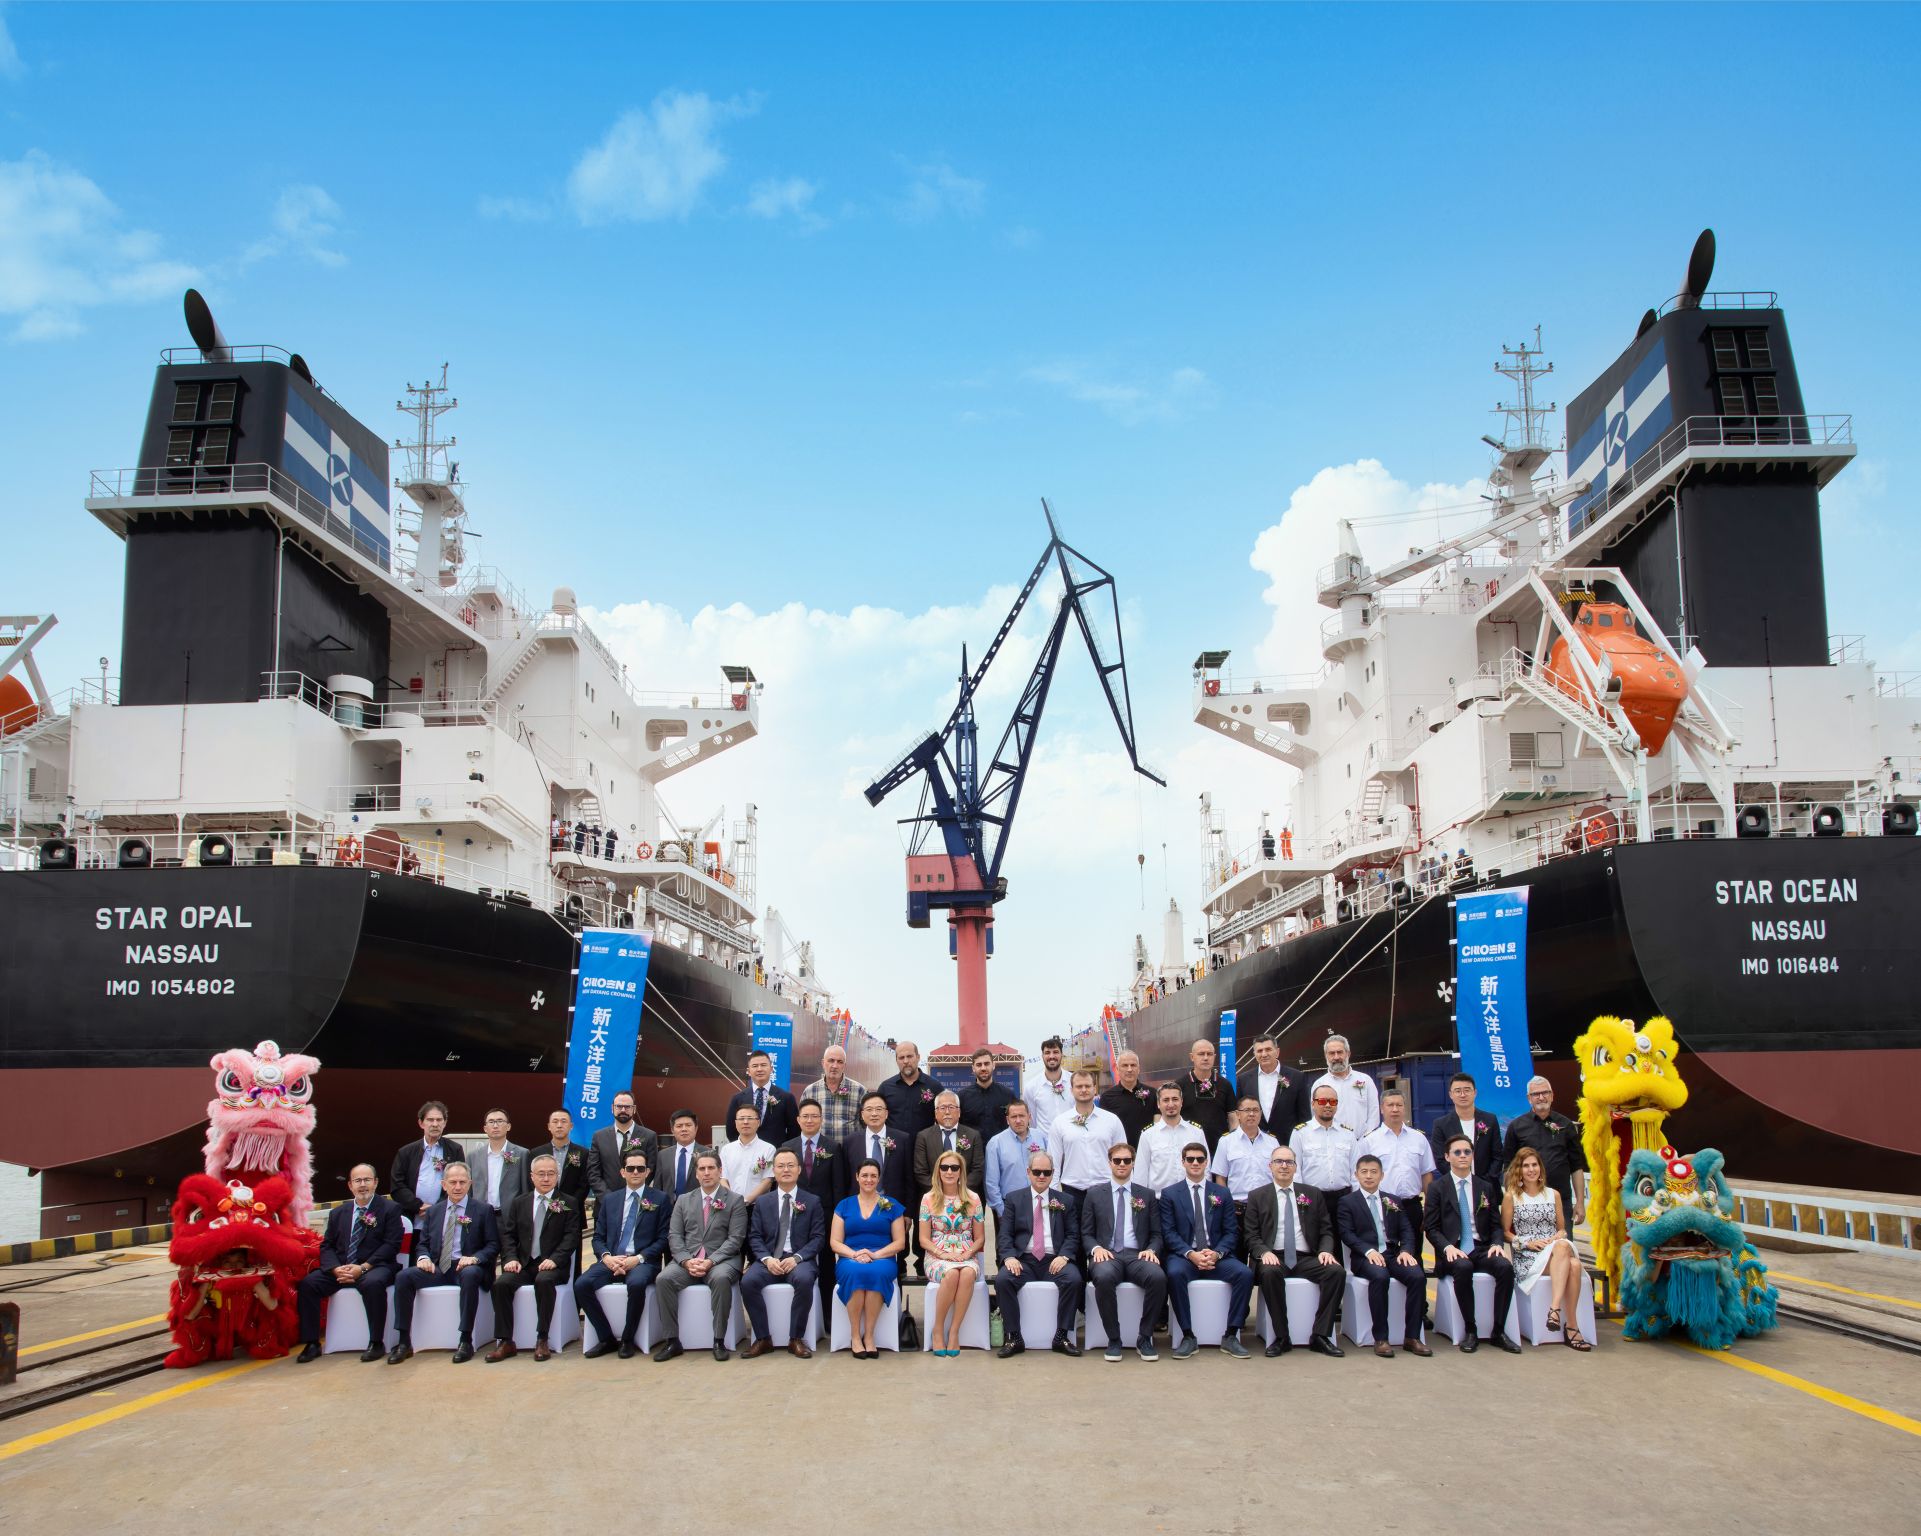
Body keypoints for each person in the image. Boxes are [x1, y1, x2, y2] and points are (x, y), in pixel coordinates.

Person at [389, 1162, 498, 1364]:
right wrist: (423, 1258)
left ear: (470, 1184)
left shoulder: (483, 1210)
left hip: (467, 1267)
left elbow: (493, 1245)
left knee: (471, 1274)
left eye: (462, 1182)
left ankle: (465, 1340)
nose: (458, 1187)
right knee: (403, 1277)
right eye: (453, 1182)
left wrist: (475, 1258)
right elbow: (423, 1244)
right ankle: (404, 1342)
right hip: (439, 1267)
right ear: (444, 1184)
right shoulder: (434, 1212)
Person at [295, 1164, 404, 1363]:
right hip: (342, 1268)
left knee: (373, 1284)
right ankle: (312, 1343)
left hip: (375, 1266)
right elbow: (327, 1245)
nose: (362, 1185)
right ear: (350, 1185)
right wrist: (335, 1269)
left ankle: (376, 1342)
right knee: (308, 1284)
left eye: (367, 1180)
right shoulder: (338, 1213)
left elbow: (391, 1245)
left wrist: (363, 1267)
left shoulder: (390, 1209)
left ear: (375, 1183)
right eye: (357, 1181)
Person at [1243, 1148, 1345, 1357]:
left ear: (1296, 1167)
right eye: (1279, 1161)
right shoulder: (1257, 1196)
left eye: (1289, 1162)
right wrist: (1263, 1252)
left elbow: (1326, 1230)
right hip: (1274, 1256)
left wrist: (1325, 1251)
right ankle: (1282, 1337)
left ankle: (1321, 1335)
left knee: (1336, 1272)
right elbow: (1250, 1235)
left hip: (1306, 1257)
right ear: (1270, 1166)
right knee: (1270, 1273)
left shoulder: (1312, 1193)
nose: (1284, 1166)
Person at [1425, 1135, 1521, 1354]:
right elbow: (1431, 1228)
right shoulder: (1437, 1188)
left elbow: (1496, 1225)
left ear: (1472, 1155)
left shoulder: (1485, 1187)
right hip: (1453, 1250)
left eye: (1467, 1152)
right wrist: (1447, 1247)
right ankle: (1470, 1330)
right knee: (1463, 1267)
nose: (1463, 1156)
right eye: (1457, 1152)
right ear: (1447, 1156)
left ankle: (1498, 1331)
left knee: (1505, 1268)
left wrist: (1497, 1243)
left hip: (1480, 1247)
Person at [577, 1145, 672, 1359]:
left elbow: (663, 1238)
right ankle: (606, 1338)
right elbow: (598, 1237)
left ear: (648, 1172)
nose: (635, 1172)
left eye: (640, 1168)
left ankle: (628, 1339)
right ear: (622, 1172)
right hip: (612, 1259)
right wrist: (607, 1258)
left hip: (643, 1261)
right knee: (582, 1285)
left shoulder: (660, 1199)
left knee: (636, 1284)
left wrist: (637, 1259)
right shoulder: (610, 1200)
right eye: (630, 1169)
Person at [1161, 1141, 1254, 1357]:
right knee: (1174, 1274)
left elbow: (1231, 1231)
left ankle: (1231, 1335)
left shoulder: (1222, 1192)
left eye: (1200, 1159)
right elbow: (1169, 1233)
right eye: (1190, 1159)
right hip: (1185, 1256)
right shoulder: (1170, 1194)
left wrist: (1217, 1253)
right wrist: (1191, 1254)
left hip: (1216, 1256)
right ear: (1183, 1162)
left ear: (1206, 1163)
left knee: (1245, 1274)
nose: (1195, 1163)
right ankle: (1187, 1335)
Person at [486, 1153, 582, 1361]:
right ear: (532, 1176)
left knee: (544, 1281)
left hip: (553, 1265)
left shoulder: (569, 1202)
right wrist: (511, 1258)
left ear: (557, 1176)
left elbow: (571, 1237)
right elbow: (509, 1235)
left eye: (551, 1173)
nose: (546, 1178)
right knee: (501, 1284)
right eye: (541, 1174)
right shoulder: (520, 1202)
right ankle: (505, 1341)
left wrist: (555, 1259)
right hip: (524, 1264)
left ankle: (542, 1339)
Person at [654, 1151, 748, 1361]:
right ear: (696, 1174)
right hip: (689, 1259)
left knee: (721, 1279)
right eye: (702, 1169)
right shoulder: (683, 1200)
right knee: (663, 1279)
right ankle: (672, 1341)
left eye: (711, 1168)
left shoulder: (734, 1200)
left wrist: (710, 1261)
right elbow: (675, 1235)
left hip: (722, 1260)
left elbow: (736, 1239)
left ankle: (719, 1340)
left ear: (720, 1171)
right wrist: (686, 1261)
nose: (706, 1173)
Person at [1336, 1154, 1431, 1357]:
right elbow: (1346, 1234)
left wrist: (1406, 1250)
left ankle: (1412, 1337)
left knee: (1417, 1276)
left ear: (1382, 1175)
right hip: (1364, 1256)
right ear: (1356, 1175)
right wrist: (1368, 1251)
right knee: (1380, 1277)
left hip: (1391, 1253)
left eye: (1374, 1172)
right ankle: (1381, 1338)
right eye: (1364, 1172)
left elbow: (1407, 1229)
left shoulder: (1393, 1200)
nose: (1369, 1176)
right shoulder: (1347, 1202)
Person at [1080, 1143, 1167, 1362]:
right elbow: (1086, 1233)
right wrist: (1096, 1249)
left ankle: (1145, 1337)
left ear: (1133, 1163)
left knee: (1158, 1277)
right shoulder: (1094, 1194)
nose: (1122, 1164)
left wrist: (1151, 1249)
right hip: (1107, 1254)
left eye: (1126, 1160)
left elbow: (1157, 1233)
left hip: (1137, 1255)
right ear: (1109, 1163)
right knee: (1103, 1277)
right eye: (1117, 1160)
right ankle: (1114, 1339)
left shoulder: (1146, 1195)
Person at [994, 1152, 1082, 1357]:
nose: (1041, 1176)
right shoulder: (1014, 1199)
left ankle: (1061, 1336)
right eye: (1037, 1172)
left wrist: (1064, 1256)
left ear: (1053, 1173)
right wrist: (1009, 1257)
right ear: (1028, 1172)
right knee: (1003, 1280)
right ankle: (1014, 1337)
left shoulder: (1065, 1200)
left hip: (1054, 1259)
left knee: (1074, 1279)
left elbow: (1073, 1234)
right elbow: (1004, 1234)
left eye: (1046, 1172)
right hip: (1023, 1260)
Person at [740, 1149, 825, 1358]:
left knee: (804, 1280)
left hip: (799, 1260)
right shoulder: (763, 1202)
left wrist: (797, 1258)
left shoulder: (812, 1201)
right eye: (780, 1166)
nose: (786, 1170)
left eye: (790, 1165)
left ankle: (796, 1339)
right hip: (770, 1259)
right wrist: (767, 1259)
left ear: (799, 1170)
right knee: (748, 1282)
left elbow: (818, 1238)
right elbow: (755, 1237)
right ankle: (763, 1339)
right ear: (774, 1171)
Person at [1504, 1146, 1590, 1351]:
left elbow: (1562, 1229)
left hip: (1554, 1251)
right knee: (1573, 1264)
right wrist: (1527, 1243)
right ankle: (1571, 1327)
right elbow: (1505, 1233)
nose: (1531, 1169)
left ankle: (1555, 1310)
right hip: (1528, 1256)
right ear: (1519, 1170)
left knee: (1568, 1255)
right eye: (1526, 1166)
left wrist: (1557, 1237)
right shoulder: (1511, 1197)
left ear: (1540, 1168)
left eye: (1534, 1165)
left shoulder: (1554, 1195)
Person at [833, 1158, 907, 1358]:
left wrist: (875, 1255)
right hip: (850, 1257)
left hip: (882, 1257)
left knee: (875, 1273)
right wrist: (855, 1254)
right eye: (864, 1175)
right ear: (857, 1177)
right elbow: (835, 1242)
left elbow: (900, 1242)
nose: (869, 1179)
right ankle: (855, 1336)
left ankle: (869, 1336)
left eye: (873, 1176)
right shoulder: (844, 1205)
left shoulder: (891, 1205)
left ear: (879, 1178)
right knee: (856, 1272)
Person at [1358, 1090, 1435, 1267]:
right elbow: (1361, 1177)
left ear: (1405, 1108)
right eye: (1390, 1105)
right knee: (1384, 1255)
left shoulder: (1419, 1138)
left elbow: (1426, 1175)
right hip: (1382, 1206)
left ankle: (1417, 1285)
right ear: (1381, 1108)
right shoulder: (1370, 1141)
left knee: (1414, 1255)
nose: (1395, 1109)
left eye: (1399, 1105)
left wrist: (1429, 1209)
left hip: (1412, 1205)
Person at [918, 1151, 985, 1356]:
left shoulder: (973, 1198)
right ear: (938, 1171)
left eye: (954, 1168)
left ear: (961, 1172)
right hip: (937, 1256)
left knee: (967, 1273)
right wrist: (943, 1254)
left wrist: (967, 1253)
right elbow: (923, 1239)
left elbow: (980, 1238)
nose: (949, 1172)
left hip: (966, 1254)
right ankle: (937, 1329)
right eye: (944, 1167)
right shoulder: (928, 1199)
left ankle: (954, 1331)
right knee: (952, 1273)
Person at [779, 1098, 839, 1322]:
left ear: (821, 1119)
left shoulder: (833, 1147)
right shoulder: (787, 1147)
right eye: (805, 1116)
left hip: (825, 1215)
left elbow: (838, 1186)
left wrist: (836, 1217)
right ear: (798, 1120)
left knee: (827, 1266)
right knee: (799, 1262)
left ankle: (828, 1318)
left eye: (815, 1116)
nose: (810, 1120)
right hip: (794, 1214)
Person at [1502, 1077, 1586, 1233]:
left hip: (1561, 1201)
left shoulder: (1566, 1125)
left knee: (1563, 1245)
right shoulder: (1516, 1127)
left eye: (1545, 1093)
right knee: (1531, 1246)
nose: (1541, 1097)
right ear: (1529, 1098)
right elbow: (1508, 1168)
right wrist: (1512, 1200)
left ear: (1552, 1095)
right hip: (1526, 1203)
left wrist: (1580, 1203)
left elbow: (1576, 1167)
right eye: (1536, 1094)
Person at [1047, 1070, 1128, 1208]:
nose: (1083, 1090)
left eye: (1087, 1086)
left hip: (1105, 1190)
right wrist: (1053, 1195)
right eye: (1079, 1086)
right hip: (1071, 1192)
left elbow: (1124, 1158)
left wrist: (1125, 1190)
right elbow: (1053, 1161)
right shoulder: (1060, 1122)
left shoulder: (1112, 1120)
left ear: (1094, 1088)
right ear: (1071, 1090)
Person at [390, 1100, 465, 1230]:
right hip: (411, 1218)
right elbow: (397, 1185)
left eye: (439, 1120)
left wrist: (436, 1208)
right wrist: (418, 1206)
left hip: (443, 1217)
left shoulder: (455, 1150)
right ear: (421, 1123)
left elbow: (460, 1182)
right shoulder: (406, 1152)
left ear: (445, 1123)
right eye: (430, 1120)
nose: (435, 1124)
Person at [1290, 1086, 1360, 1219]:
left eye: (1333, 1102)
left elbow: (1356, 1170)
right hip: (1312, 1197)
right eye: (1322, 1101)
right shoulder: (1300, 1133)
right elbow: (1295, 1170)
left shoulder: (1348, 1134)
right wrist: (1301, 1198)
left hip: (1344, 1198)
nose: (1328, 1105)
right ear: (1313, 1104)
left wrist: (1356, 1199)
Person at [836, 1091, 913, 1207]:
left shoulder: (902, 1139)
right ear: (862, 1115)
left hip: (894, 1206)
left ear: (886, 1113)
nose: (874, 1114)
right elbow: (844, 1180)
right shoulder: (850, 1142)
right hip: (858, 1206)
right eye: (869, 1109)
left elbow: (909, 1179)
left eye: (879, 1109)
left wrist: (908, 1211)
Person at [1211, 1097, 1281, 1221]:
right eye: (1247, 1110)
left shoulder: (1272, 1142)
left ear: (1260, 1114)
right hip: (1237, 1208)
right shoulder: (1226, 1141)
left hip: (1267, 1207)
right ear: (1238, 1114)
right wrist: (1226, 1204)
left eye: (1255, 1110)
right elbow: (1220, 1177)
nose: (1251, 1114)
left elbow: (1279, 1174)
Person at [1429, 1071, 1503, 1182]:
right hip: (1457, 1186)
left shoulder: (1490, 1120)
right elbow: (1440, 1160)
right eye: (1458, 1091)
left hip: (1488, 1185)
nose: (1463, 1095)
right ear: (1451, 1095)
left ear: (1475, 1093)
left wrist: (1483, 1183)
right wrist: (1462, 1180)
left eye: (1467, 1090)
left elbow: (1498, 1156)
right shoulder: (1441, 1124)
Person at [985, 1100, 1049, 1221]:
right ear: (1007, 1119)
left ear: (1029, 1116)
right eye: (1014, 1117)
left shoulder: (1041, 1137)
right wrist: (1001, 1211)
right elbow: (991, 1182)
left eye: (1022, 1116)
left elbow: (1049, 1169)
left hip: (1039, 1202)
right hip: (1009, 1206)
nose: (1018, 1120)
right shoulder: (996, 1143)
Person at [1136, 1084, 1205, 1194]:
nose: (1171, 1104)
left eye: (1175, 1099)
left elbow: (1206, 1168)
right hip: (1159, 1199)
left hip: (1191, 1197)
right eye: (1166, 1100)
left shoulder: (1196, 1132)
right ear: (1158, 1104)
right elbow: (1141, 1173)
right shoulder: (1148, 1135)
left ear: (1181, 1102)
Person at [588, 1091, 660, 1196]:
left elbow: (651, 1169)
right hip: (605, 1200)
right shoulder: (599, 1137)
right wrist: (608, 1198)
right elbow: (593, 1172)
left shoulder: (649, 1136)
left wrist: (634, 1193)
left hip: (636, 1199)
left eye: (627, 1107)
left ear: (634, 1109)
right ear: (612, 1108)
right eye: (619, 1106)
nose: (623, 1110)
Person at [1239, 1035, 1308, 1143]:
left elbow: (1304, 1115)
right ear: (1254, 1054)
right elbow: (1240, 1113)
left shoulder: (1296, 1077)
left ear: (1277, 1052)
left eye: (1268, 1049)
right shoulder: (1244, 1080)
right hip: (1254, 1142)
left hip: (1288, 1142)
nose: (1264, 1054)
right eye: (1259, 1051)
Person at [914, 1091, 984, 1195]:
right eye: (942, 1108)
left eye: (951, 1107)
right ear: (936, 1113)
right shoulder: (924, 1137)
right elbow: (921, 1172)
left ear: (959, 1112)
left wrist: (959, 1190)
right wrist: (940, 1191)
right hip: (934, 1196)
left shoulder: (973, 1135)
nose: (947, 1112)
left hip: (965, 1195)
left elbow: (978, 1170)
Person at [1311, 1035, 1380, 1137]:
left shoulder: (1365, 1080)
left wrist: (1366, 1138)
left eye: (1340, 1052)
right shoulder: (1319, 1084)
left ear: (1348, 1054)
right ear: (1326, 1056)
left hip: (1363, 1141)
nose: (1336, 1057)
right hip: (1333, 1142)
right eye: (1332, 1053)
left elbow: (1374, 1113)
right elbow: (1316, 1117)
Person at [725, 1050, 798, 1147]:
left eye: (763, 1065)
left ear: (771, 1069)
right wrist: (743, 1148)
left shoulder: (787, 1098)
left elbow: (794, 1130)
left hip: (776, 1152)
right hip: (746, 1151)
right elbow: (731, 1130)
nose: (759, 1069)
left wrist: (783, 1151)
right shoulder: (737, 1099)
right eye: (755, 1066)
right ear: (748, 1071)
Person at [802, 1045, 867, 1147]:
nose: (835, 1066)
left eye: (840, 1062)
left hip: (849, 1150)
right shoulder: (810, 1091)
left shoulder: (859, 1091)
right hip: (820, 1151)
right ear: (823, 1063)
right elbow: (803, 1123)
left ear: (844, 1065)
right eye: (831, 1060)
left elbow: (867, 1124)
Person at [878, 1039, 939, 1145]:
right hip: (893, 1148)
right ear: (896, 1060)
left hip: (924, 1148)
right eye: (901, 1058)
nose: (906, 1061)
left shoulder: (934, 1087)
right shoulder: (885, 1088)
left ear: (918, 1057)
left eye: (909, 1056)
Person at [1176, 1039, 1234, 1151]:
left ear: (1214, 1056)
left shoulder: (1225, 1084)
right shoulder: (1179, 1085)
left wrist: (1232, 1144)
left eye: (1209, 1054)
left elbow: (1233, 1118)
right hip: (1189, 1151)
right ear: (1192, 1057)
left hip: (1220, 1149)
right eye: (1201, 1054)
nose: (1206, 1058)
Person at [470, 1108, 530, 1214]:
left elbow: (525, 1189)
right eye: (491, 1122)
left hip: (509, 1215)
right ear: (485, 1128)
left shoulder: (522, 1154)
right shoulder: (473, 1156)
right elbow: (469, 1189)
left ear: (508, 1126)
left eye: (500, 1121)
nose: (495, 1125)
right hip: (480, 1214)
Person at [718, 1104, 778, 1203]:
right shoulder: (726, 1150)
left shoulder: (769, 1149)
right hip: (731, 1204)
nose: (745, 1122)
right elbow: (722, 1178)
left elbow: (767, 1180)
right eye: (741, 1119)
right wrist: (732, 1200)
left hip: (758, 1205)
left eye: (750, 1118)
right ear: (736, 1123)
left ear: (758, 1122)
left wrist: (747, 1201)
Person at [530, 1109, 590, 1204]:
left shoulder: (584, 1153)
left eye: (563, 1121)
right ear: (549, 1126)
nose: (559, 1125)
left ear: (571, 1126)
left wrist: (570, 1204)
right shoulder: (536, 1153)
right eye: (555, 1121)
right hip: (543, 1205)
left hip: (573, 1208)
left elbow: (585, 1184)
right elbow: (531, 1182)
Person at [1098, 1050, 1157, 1144]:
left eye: (1133, 1065)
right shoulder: (1107, 1097)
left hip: (1148, 1148)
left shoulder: (1153, 1093)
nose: (1129, 1069)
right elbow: (1105, 1128)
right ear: (1117, 1069)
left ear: (1139, 1069)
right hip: (1121, 1151)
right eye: (1125, 1065)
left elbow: (1157, 1125)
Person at [958, 1047, 1017, 1138]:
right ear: (973, 1068)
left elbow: (1016, 1122)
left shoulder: (1008, 1095)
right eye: (979, 1065)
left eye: (986, 1064)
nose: (983, 1068)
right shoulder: (962, 1097)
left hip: (1001, 1146)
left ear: (993, 1065)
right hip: (972, 1147)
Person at [1022, 1036, 1072, 1139]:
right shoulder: (1031, 1087)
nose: (1051, 1056)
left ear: (1062, 1054)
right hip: (1045, 1144)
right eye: (1047, 1052)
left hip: (1072, 1142)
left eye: (1055, 1052)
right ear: (1042, 1056)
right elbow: (1032, 1121)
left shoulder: (1074, 1082)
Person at [655, 1109, 710, 1200]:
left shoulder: (707, 1153)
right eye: (679, 1126)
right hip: (668, 1206)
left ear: (696, 1128)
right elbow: (658, 1186)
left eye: (688, 1125)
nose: (684, 1129)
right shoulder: (663, 1155)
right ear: (672, 1130)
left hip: (697, 1205)